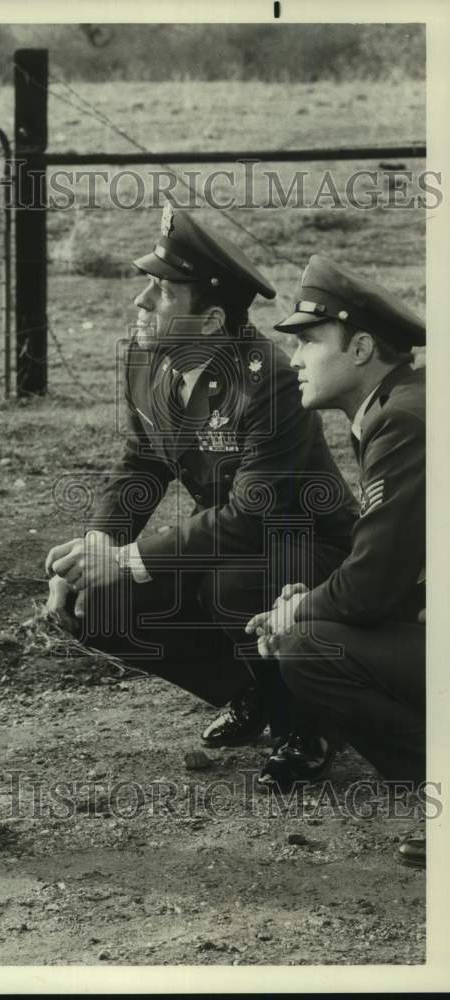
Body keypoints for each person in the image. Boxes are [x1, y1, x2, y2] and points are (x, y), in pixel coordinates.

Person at [45, 204, 358, 762]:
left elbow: (253, 516)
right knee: (100, 605)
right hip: (227, 539)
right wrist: (95, 548)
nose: (141, 301)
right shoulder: (147, 355)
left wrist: (126, 558)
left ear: (211, 322)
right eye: (148, 284)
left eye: (163, 291)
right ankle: (250, 693)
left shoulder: (269, 382)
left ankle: (305, 728)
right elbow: (143, 460)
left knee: (230, 586)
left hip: (306, 545)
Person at [245, 255, 426, 867]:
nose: (295, 359)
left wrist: (300, 612)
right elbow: (396, 565)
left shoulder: (402, 420)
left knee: (308, 649)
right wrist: (315, 600)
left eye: (309, 341)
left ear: (362, 348)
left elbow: (371, 587)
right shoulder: (400, 404)